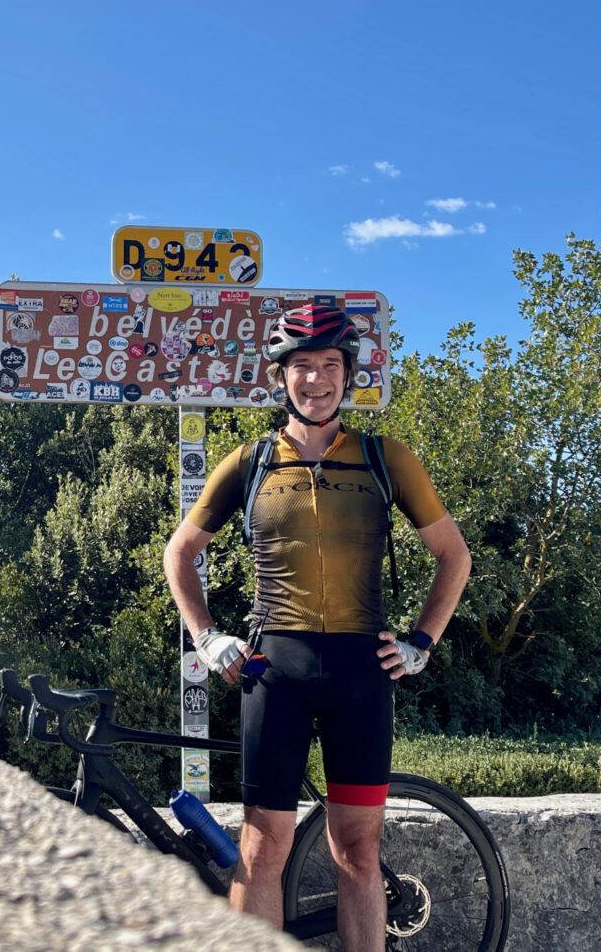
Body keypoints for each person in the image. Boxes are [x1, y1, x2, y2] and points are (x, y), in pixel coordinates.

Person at [163, 304, 471, 950]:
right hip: (275, 670)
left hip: (362, 675)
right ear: (281, 377)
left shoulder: (386, 459)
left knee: (358, 850)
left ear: (348, 374)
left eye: (329, 365)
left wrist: (421, 642)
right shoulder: (250, 463)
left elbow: (454, 555)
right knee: (260, 847)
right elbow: (179, 553)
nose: (316, 379)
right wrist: (206, 634)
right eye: (301, 366)